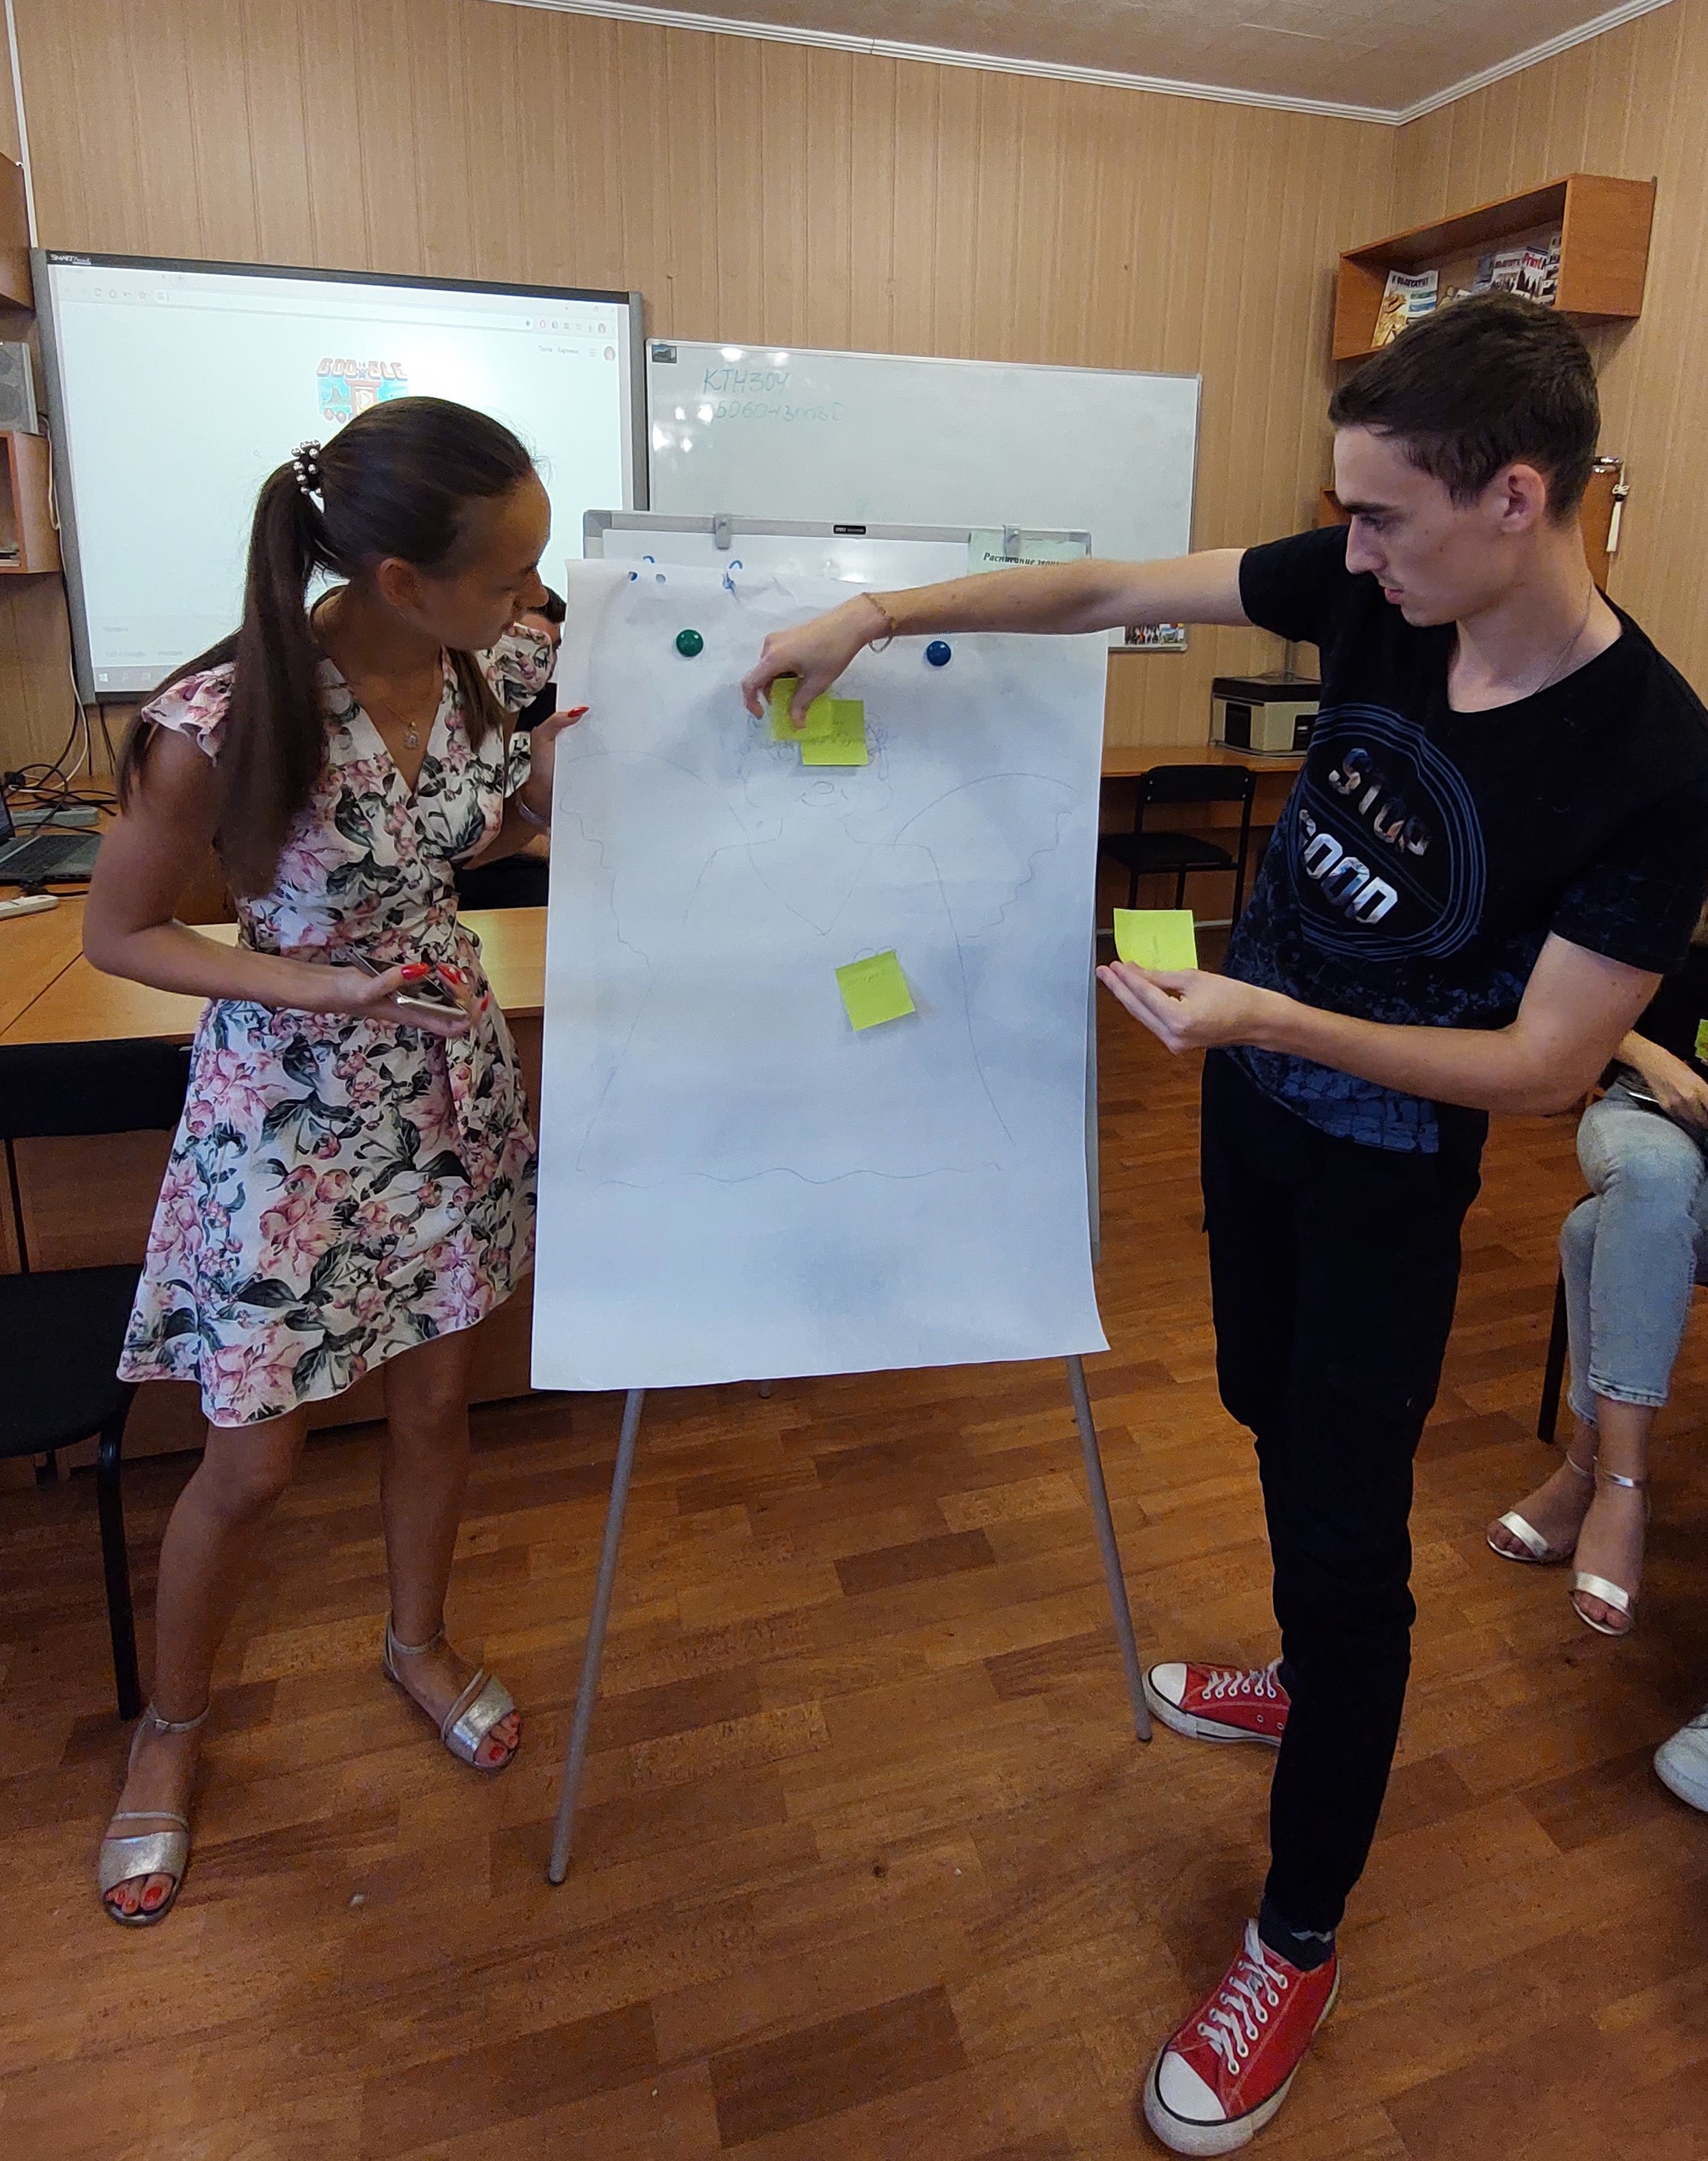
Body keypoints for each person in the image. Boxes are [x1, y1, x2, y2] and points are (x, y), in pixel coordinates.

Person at [738, 292, 1708, 2154]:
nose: (1349, 552)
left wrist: (1265, 1016)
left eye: (1381, 516)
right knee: (1262, 1411)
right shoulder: (1378, 587)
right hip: (1249, 1119)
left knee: (1349, 1543)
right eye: (1343, 516)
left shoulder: (1652, 759)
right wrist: (876, 612)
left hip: (1380, 1176)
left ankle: (1296, 1933)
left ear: (1515, 498)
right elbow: (1110, 589)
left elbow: (1536, 1069)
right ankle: (1300, 1676)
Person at [82, 396, 579, 1928]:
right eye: (509, 574)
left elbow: (485, 824)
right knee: (251, 1461)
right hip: (287, 1119)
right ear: (396, 579)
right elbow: (123, 932)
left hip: (447, 1086)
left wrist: (557, 793)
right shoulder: (221, 716)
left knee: (436, 1400)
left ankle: (415, 1641)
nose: (536, 598)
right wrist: (319, 984)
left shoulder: (496, 666)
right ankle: (170, 1730)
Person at [1487, 919, 1708, 1799]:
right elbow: (1550, 984)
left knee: (1594, 1233)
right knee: (1648, 1182)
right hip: (1645, 1108)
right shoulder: (1670, 862)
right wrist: (1650, 1059)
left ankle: (1587, 1467)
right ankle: (1624, 1487)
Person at [454, 583, 565, 911]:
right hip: (459, 871)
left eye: (552, 649)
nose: (536, 665)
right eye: (522, 647)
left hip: (527, 875)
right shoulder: (454, 710)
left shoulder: (559, 709)